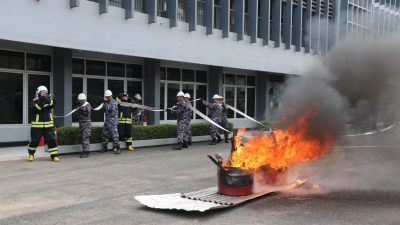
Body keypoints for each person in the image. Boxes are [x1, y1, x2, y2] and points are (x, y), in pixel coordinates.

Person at [27, 85, 60, 162]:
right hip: (37, 126)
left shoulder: (48, 99)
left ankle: (54, 156)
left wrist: (48, 101)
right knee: (34, 141)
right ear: (38, 93)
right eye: (43, 92)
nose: (45, 94)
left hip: (49, 125)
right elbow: (36, 109)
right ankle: (31, 154)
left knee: (52, 140)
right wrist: (41, 102)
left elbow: (53, 104)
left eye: (46, 92)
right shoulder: (34, 100)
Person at [101, 90, 120, 154]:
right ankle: (104, 147)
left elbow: (111, 109)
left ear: (111, 96)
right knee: (104, 134)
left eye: (108, 96)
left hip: (113, 121)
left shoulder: (114, 102)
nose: (107, 97)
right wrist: (103, 105)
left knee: (115, 135)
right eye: (106, 96)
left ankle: (117, 147)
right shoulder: (106, 102)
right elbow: (104, 111)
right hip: (107, 120)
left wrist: (105, 104)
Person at [76, 93, 92, 158]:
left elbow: (88, 111)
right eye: (79, 100)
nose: (80, 101)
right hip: (82, 124)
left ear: (84, 100)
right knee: (83, 138)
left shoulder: (87, 105)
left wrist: (81, 108)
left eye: (81, 100)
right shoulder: (80, 106)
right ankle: (84, 150)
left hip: (86, 125)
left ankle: (86, 152)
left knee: (85, 138)